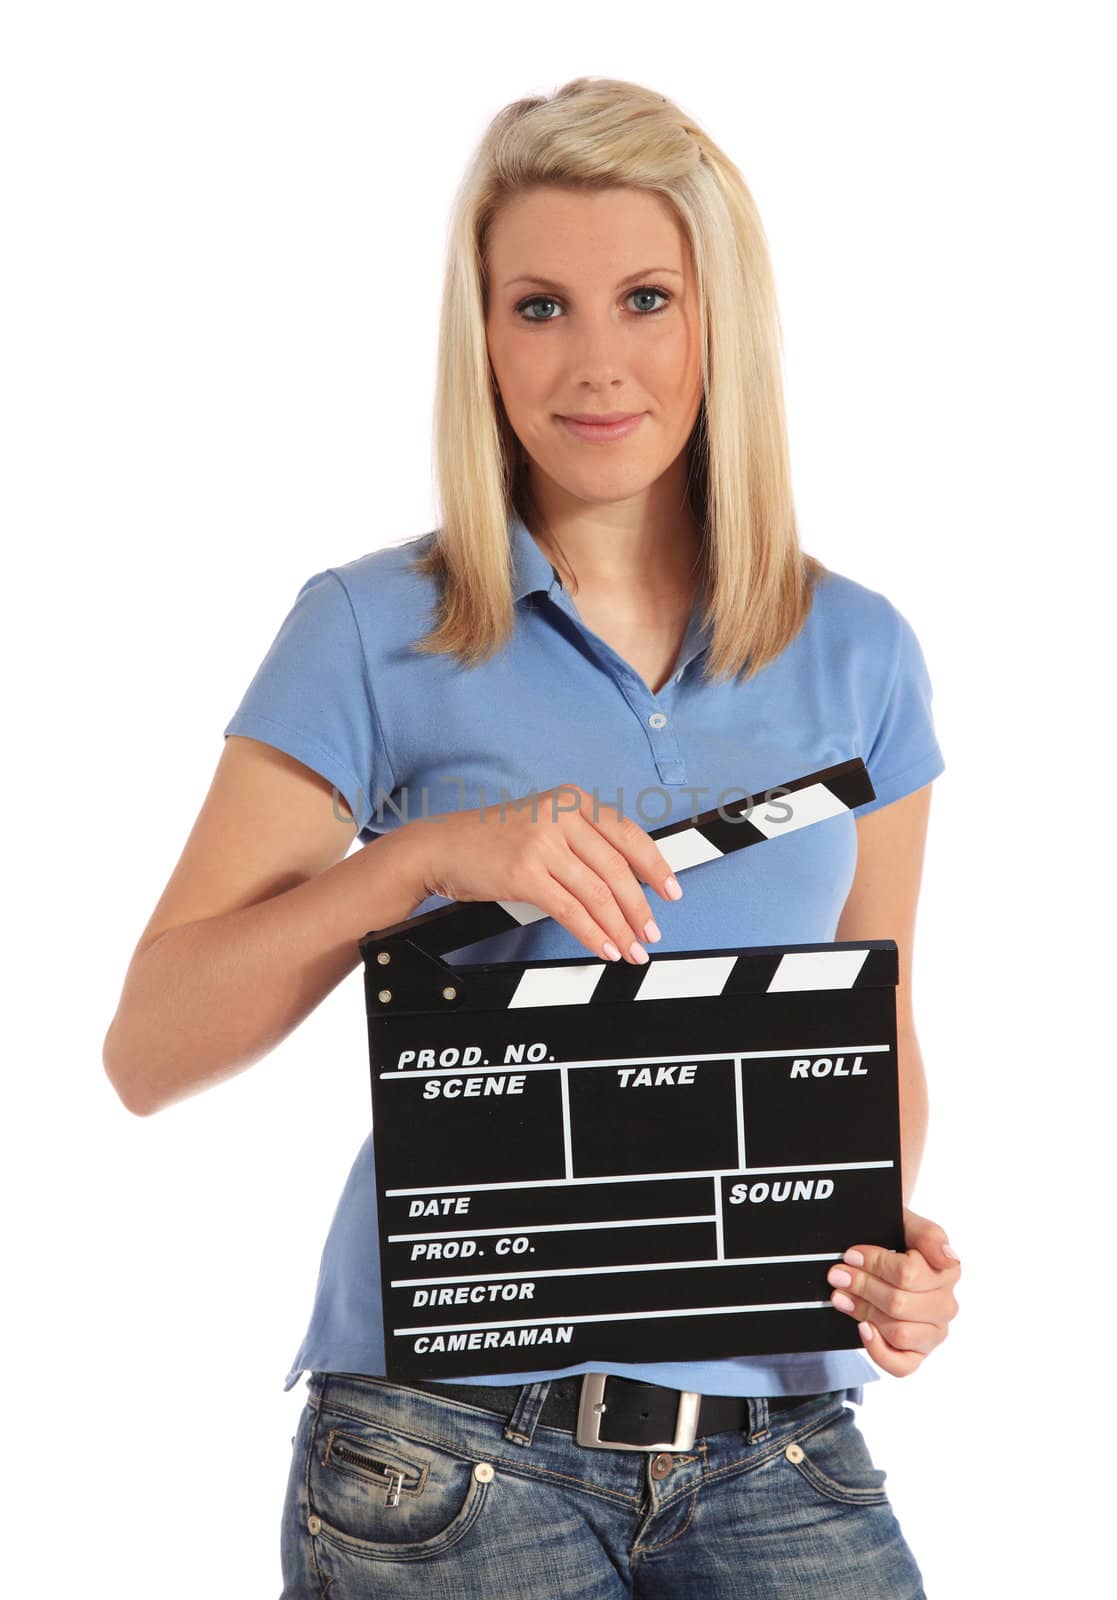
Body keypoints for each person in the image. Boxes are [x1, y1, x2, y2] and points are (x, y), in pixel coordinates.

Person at [103, 76, 961, 1599]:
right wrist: (418, 865)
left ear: (723, 322)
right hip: (444, 1446)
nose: (595, 363)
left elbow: (873, 1008)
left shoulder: (861, 654)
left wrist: (879, 1258)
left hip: (780, 1440)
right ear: (481, 335)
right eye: (537, 306)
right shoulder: (371, 631)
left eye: (645, 298)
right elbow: (148, 1050)